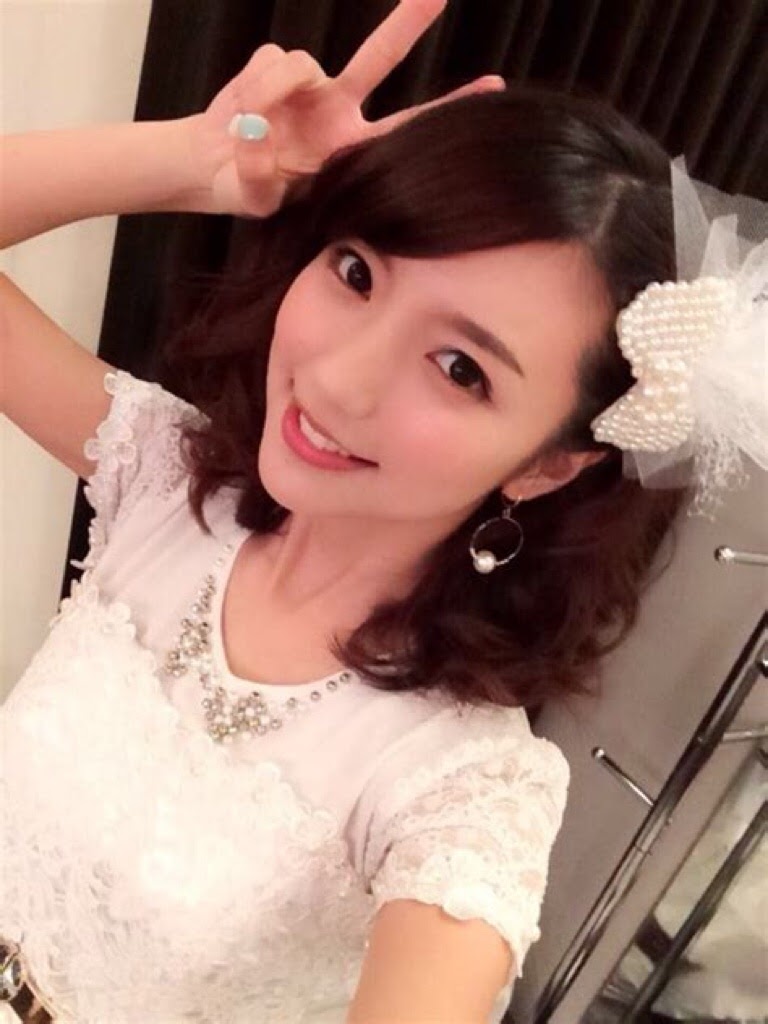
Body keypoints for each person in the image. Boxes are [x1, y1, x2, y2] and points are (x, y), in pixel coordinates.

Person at [2, 1, 764, 1022]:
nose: (339, 377)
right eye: (357, 272)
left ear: (547, 466)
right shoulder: (165, 481)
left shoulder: (458, 788)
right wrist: (196, 163)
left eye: (459, 368)